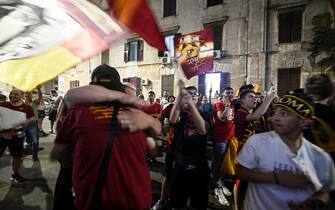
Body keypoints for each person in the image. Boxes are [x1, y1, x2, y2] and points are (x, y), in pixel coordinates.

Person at [51, 64, 161, 210]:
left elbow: (58, 154)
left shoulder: (77, 114)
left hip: (93, 199)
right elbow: (153, 149)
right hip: (135, 199)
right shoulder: (138, 116)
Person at [236, 93, 335, 210]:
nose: (273, 118)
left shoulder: (320, 156)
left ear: (304, 122)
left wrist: (313, 203)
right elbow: (240, 172)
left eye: (284, 114)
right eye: (275, 113)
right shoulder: (258, 141)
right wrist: (276, 178)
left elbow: (324, 191)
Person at [169, 80, 211, 210]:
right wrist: (180, 96)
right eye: (188, 94)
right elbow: (172, 120)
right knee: (177, 203)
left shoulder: (204, 114)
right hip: (181, 165)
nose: (191, 96)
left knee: (198, 204)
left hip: (199, 166)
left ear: (197, 97)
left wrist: (192, 105)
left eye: (194, 94)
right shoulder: (181, 113)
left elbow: (203, 130)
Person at [0, 89, 35, 182]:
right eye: (11, 93)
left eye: (16, 94)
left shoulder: (27, 107)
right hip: (2, 135)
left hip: (17, 136)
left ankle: (15, 174)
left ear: (22, 96)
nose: (12, 95)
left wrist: (28, 120)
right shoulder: (2, 105)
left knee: (16, 156)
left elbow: (33, 117)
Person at [210, 86, 235, 207]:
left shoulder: (234, 103)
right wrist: (228, 105)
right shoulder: (218, 105)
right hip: (220, 139)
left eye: (231, 93)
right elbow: (222, 118)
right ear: (223, 94)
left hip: (230, 139)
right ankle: (217, 189)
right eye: (227, 93)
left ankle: (221, 183)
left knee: (225, 164)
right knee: (218, 164)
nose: (229, 94)